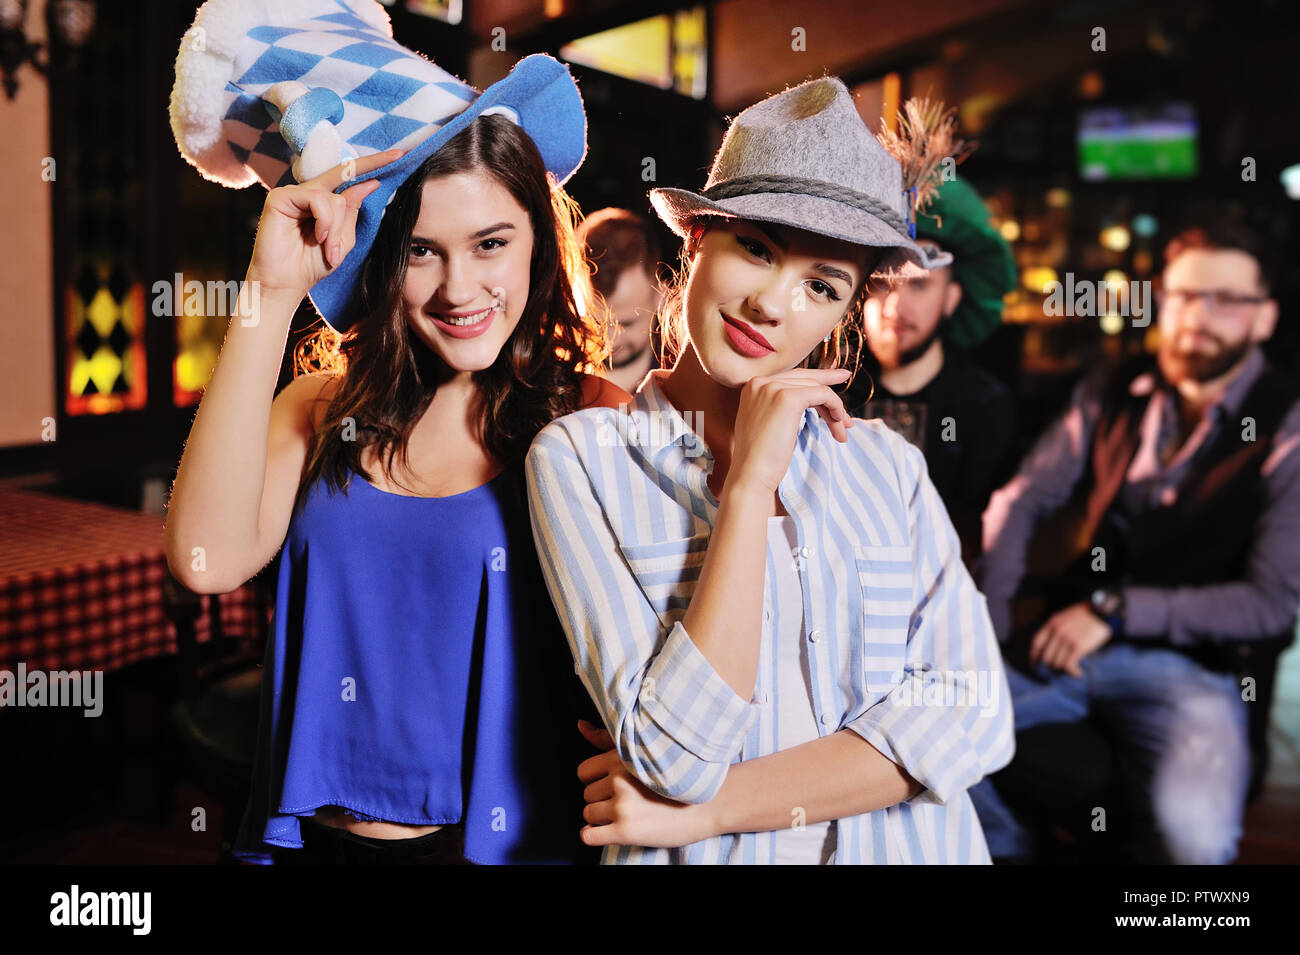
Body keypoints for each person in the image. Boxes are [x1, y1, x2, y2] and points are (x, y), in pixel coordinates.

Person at [165, 0, 626, 864]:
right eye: (420, 250)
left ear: (536, 240)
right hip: (313, 844)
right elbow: (203, 562)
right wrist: (267, 294)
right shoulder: (318, 407)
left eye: (491, 243)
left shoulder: (587, 416)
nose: (461, 287)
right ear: (382, 256)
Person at [526, 78, 1013, 864]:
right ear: (696, 240)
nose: (772, 306)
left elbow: (974, 710)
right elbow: (672, 756)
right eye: (757, 248)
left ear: (843, 313)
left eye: (821, 286)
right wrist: (747, 488)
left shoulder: (887, 468)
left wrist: (705, 812)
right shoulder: (581, 462)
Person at [969, 220, 1300, 864]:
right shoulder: (1112, 387)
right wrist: (983, 623)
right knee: (927, 747)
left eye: (1226, 300)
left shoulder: (1286, 425)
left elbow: (1268, 604)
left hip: (1197, 673)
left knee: (1195, 846)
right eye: (1181, 297)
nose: (1196, 318)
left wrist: (1114, 610)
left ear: (1264, 320)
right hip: (1059, 649)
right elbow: (1024, 499)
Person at [843, 175, 1018, 562]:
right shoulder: (830, 393)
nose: (894, 308)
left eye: (919, 285)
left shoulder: (984, 407)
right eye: (882, 284)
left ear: (951, 298)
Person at [576, 208, 665, 394]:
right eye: (596, 324)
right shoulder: (543, 378)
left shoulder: (689, 381)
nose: (610, 340)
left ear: (661, 296)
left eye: (626, 323)